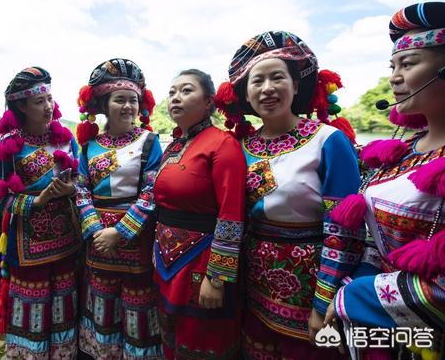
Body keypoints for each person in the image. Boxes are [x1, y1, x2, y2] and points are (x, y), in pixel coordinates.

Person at [215, 31, 362, 359]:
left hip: (311, 292)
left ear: (296, 86)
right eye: (257, 81)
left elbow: (346, 231)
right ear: (247, 96)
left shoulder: (328, 141)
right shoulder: (240, 147)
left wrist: (324, 302)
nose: (267, 88)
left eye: (277, 77)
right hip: (252, 287)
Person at [326, 2, 445, 359]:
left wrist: (354, 296)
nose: (394, 77)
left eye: (407, 65)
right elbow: (374, 240)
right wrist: (353, 281)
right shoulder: (403, 150)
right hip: (382, 326)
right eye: (392, 66)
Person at [0, 67, 81, 360]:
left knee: (65, 299)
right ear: (22, 107)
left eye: (50, 98)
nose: (48, 106)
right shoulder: (9, 147)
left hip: (67, 239)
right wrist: (34, 203)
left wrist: (72, 191)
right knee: (32, 302)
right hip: (28, 241)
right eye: (39, 102)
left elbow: (83, 181)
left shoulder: (66, 140)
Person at [152, 69, 246, 359]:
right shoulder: (175, 146)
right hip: (167, 261)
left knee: (202, 338)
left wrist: (216, 277)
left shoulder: (222, 143)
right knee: (171, 334)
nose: (176, 98)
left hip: (202, 263)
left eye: (186, 90)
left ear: (209, 102)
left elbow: (231, 215)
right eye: (172, 92)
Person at [75, 58, 163, 359]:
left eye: (133, 100)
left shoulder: (149, 142)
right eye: (120, 100)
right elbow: (81, 190)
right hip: (98, 242)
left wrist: (120, 232)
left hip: (134, 240)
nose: (128, 106)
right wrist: (97, 231)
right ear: (104, 105)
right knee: (101, 302)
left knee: (137, 305)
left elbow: (152, 190)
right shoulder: (89, 147)